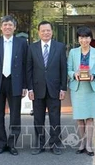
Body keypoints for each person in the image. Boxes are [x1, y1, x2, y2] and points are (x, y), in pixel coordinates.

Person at [0, 15, 28, 156]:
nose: (7, 27)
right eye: (5, 25)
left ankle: (12, 143)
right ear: (1, 27)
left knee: (15, 115)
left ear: (14, 27)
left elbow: (25, 65)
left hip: (15, 82)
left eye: (10, 25)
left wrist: (25, 86)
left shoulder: (22, 43)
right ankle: (1, 144)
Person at [26, 21, 67, 155]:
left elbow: (63, 69)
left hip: (55, 88)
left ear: (52, 31)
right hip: (37, 89)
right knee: (38, 118)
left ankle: (55, 144)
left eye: (48, 30)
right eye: (43, 31)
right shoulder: (32, 48)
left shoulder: (60, 47)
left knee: (55, 118)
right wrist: (30, 89)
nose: (46, 33)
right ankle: (39, 144)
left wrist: (63, 88)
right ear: (38, 32)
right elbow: (29, 70)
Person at [68, 26, 95, 157]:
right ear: (78, 39)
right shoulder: (73, 52)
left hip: (90, 88)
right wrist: (74, 74)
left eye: (87, 37)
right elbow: (69, 69)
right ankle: (81, 143)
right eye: (81, 37)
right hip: (77, 88)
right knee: (79, 118)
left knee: (89, 118)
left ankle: (89, 145)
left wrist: (94, 75)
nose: (84, 40)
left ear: (91, 38)